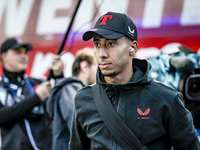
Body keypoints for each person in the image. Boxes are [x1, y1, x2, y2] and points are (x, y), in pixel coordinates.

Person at [69, 12, 200, 150]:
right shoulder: (83, 99)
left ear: (133, 48)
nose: (102, 54)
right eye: (97, 44)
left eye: (111, 44)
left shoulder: (167, 99)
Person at [0, 37, 63, 150]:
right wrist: (35, 98)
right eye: (18, 52)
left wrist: (58, 75)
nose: (24, 56)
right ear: (4, 56)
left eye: (25, 53)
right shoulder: (1, 87)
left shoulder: (38, 83)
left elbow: (62, 104)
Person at [46, 47, 97, 150]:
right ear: (84, 66)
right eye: (98, 66)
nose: (101, 71)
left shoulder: (75, 90)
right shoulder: (70, 90)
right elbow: (79, 128)